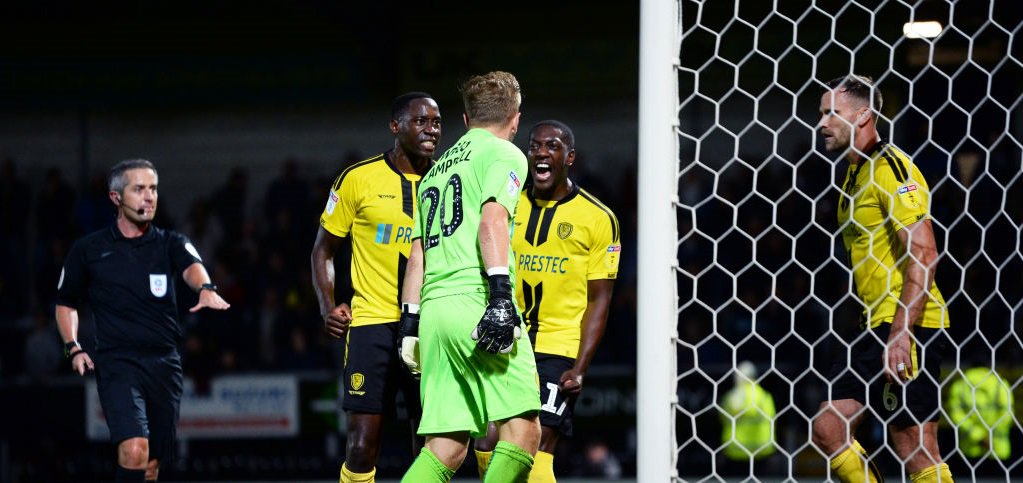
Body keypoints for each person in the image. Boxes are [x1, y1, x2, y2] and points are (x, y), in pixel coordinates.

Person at [397, 70, 540, 482]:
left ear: (465, 119)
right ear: (515, 118)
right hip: (477, 302)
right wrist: (500, 297)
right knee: (523, 431)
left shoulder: (436, 171)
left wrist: (410, 325)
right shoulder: (504, 154)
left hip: (434, 314)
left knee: (446, 446)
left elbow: (417, 254)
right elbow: (491, 222)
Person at [811, 75, 954, 483]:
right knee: (829, 428)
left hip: (908, 324)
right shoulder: (854, 175)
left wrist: (901, 333)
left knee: (915, 448)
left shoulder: (892, 168)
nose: (821, 123)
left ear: (863, 116)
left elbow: (924, 252)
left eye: (831, 113)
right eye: (821, 113)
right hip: (873, 324)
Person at [55, 159, 230, 482]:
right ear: (116, 197)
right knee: (135, 450)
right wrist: (73, 347)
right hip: (118, 363)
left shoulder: (170, 243)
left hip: (164, 364)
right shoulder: (89, 250)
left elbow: (192, 266)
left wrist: (205, 289)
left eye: (153, 189)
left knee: (151, 465)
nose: (149, 197)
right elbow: (66, 303)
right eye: (139, 189)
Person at [473, 120, 621, 482]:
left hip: (559, 346)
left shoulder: (598, 218)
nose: (541, 153)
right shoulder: (507, 205)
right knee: (487, 439)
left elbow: (600, 300)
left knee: (538, 444)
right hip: (509, 339)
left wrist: (580, 366)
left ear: (569, 157)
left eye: (552, 146)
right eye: (535, 146)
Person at [310, 91, 442, 482]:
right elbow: (323, 250)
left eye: (436, 122)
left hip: (431, 325)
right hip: (372, 324)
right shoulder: (357, 179)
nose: (431, 130)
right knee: (361, 446)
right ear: (395, 126)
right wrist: (328, 306)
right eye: (421, 121)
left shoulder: (449, 180)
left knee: (431, 446)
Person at [719, 361, 776, 474]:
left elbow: (723, 417)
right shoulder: (764, 395)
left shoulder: (735, 396)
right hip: (762, 451)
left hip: (737, 452)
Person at [946, 365, 1013, 460]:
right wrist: (990, 437)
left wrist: (978, 436)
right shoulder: (1000, 383)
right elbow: (1007, 414)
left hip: (969, 450)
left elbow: (956, 414)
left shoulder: (960, 384)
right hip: (997, 449)